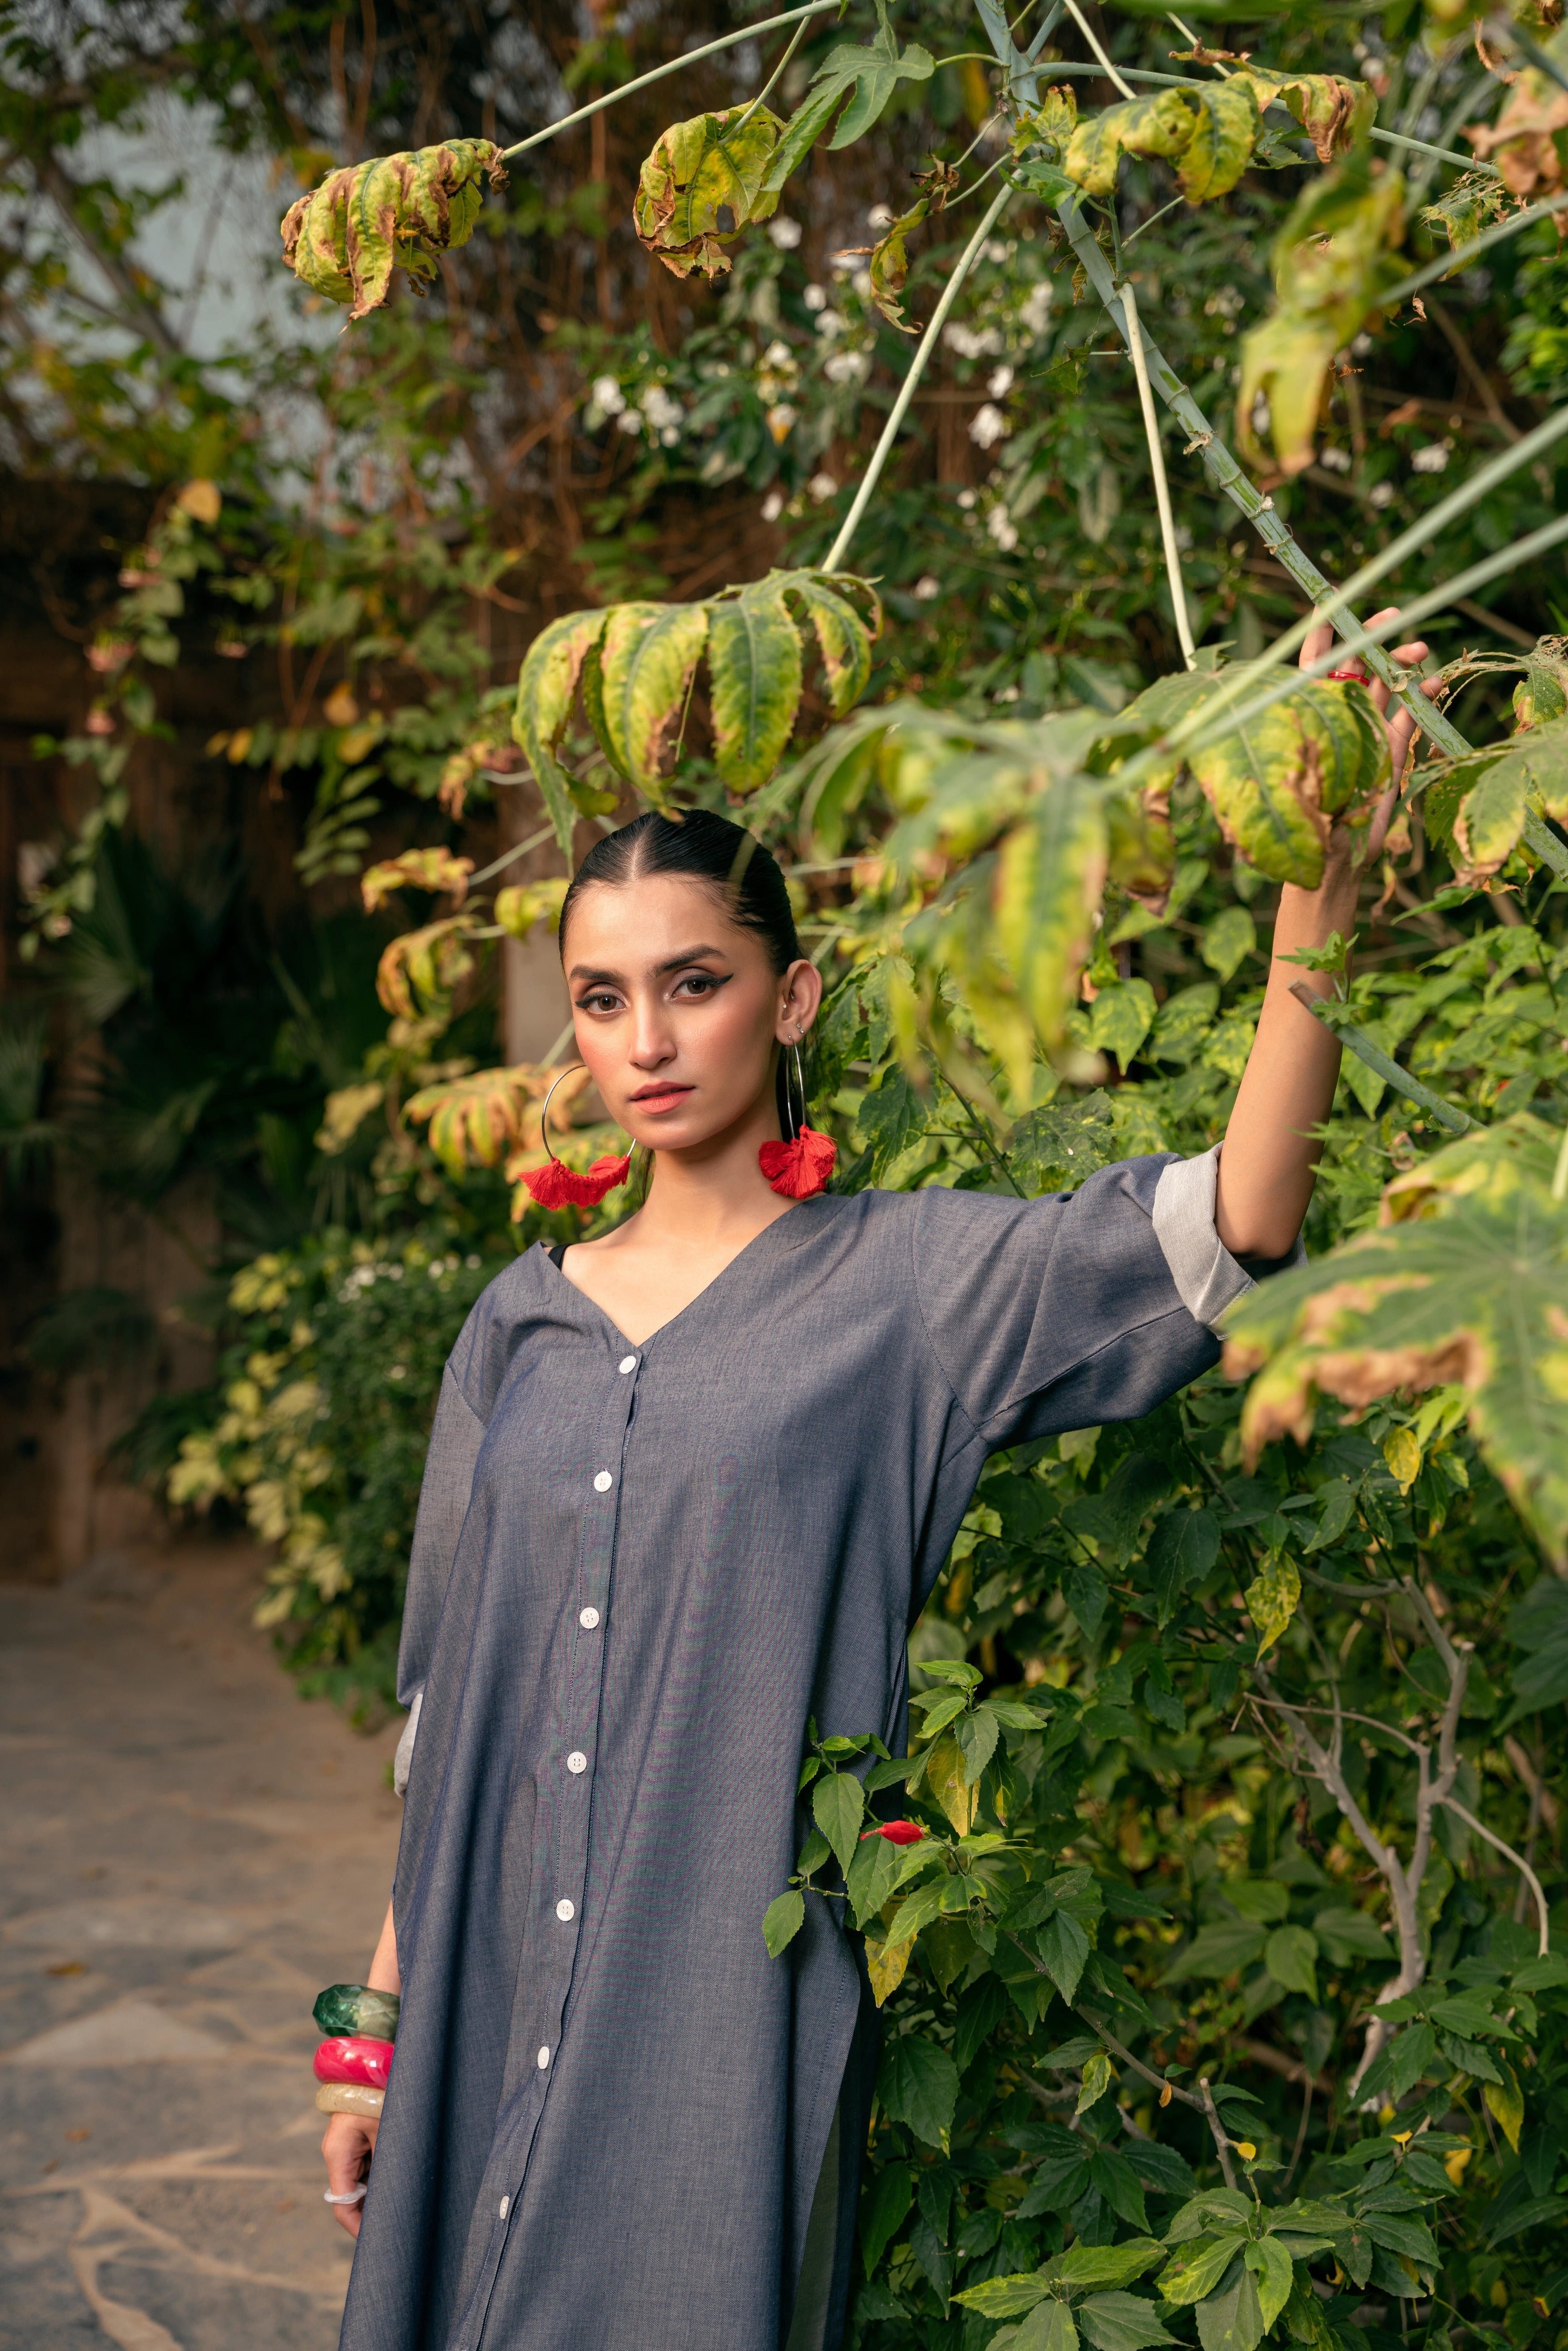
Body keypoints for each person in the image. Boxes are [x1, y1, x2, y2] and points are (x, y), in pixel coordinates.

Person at [321, 618, 1430, 2351]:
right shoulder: (514, 1325)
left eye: (695, 983)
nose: (646, 1038)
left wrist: (1315, 904)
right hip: (475, 2010)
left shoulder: (908, 1289)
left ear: (794, 997)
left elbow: (1231, 1234)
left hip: (711, 2035)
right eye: (603, 999)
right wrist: (368, 2042)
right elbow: (448, 1714)